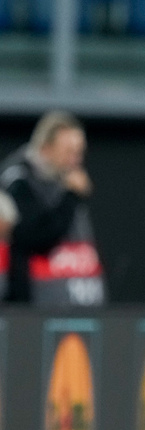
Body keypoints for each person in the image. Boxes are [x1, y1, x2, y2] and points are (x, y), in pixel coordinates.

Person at [0, 111, 105, 305]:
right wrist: (71, 196)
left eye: (79, 152)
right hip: (29, 309)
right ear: (46, 149)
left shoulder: (63, 181)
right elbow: (35, 234)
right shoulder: (18, 181)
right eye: (68, 152)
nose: (76, 160)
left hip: (78, 303)